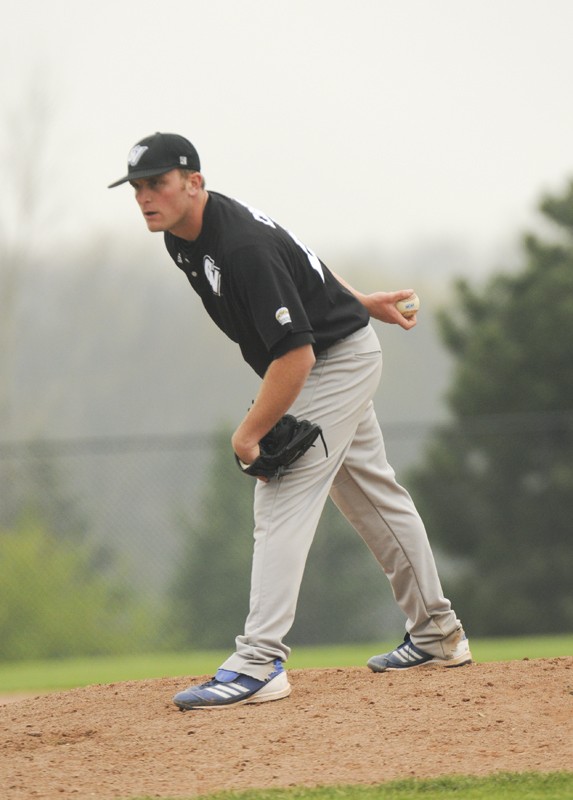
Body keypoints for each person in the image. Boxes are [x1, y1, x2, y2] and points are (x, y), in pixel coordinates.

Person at [109, 132, 472, 710]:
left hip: (329, 364)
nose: (145, 197)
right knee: (371, 493)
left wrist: (249, 432)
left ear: (194, 183)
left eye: (158, 183)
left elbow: (296, 354)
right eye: (137, 187)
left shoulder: (240, 244)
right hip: (334, 351)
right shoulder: (183, 235)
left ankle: (259, 661)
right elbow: (303, 266)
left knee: (279, 494)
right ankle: (435, 631)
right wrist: (358, 300)